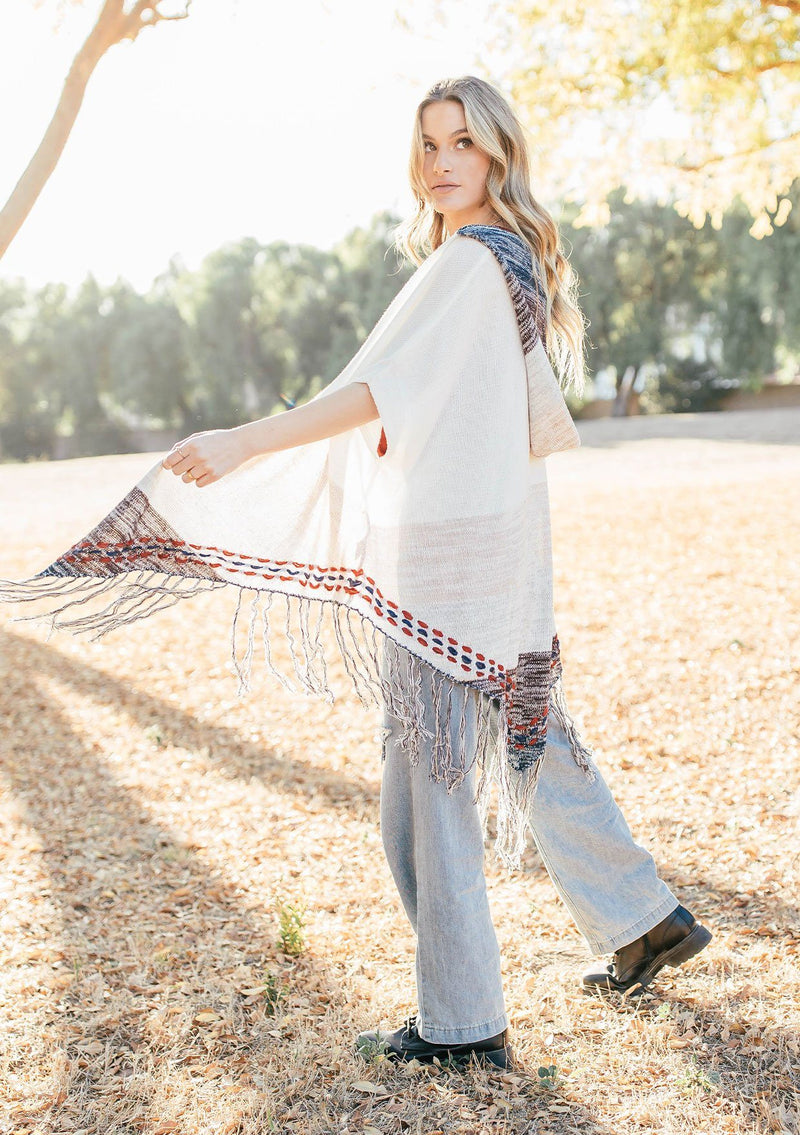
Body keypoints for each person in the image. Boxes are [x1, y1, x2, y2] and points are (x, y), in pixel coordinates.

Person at [1, 75, 712, 1073]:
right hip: (502, 550)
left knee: (423, 796)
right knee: (532, 738)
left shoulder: (470, 261)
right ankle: (641, 919)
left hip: (445, 562)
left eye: (462, 142)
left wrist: (246, 441)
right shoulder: (507, 260)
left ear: (498, 153)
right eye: (427, 145)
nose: (441, 162)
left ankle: (462, 1022)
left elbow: (377, 390)